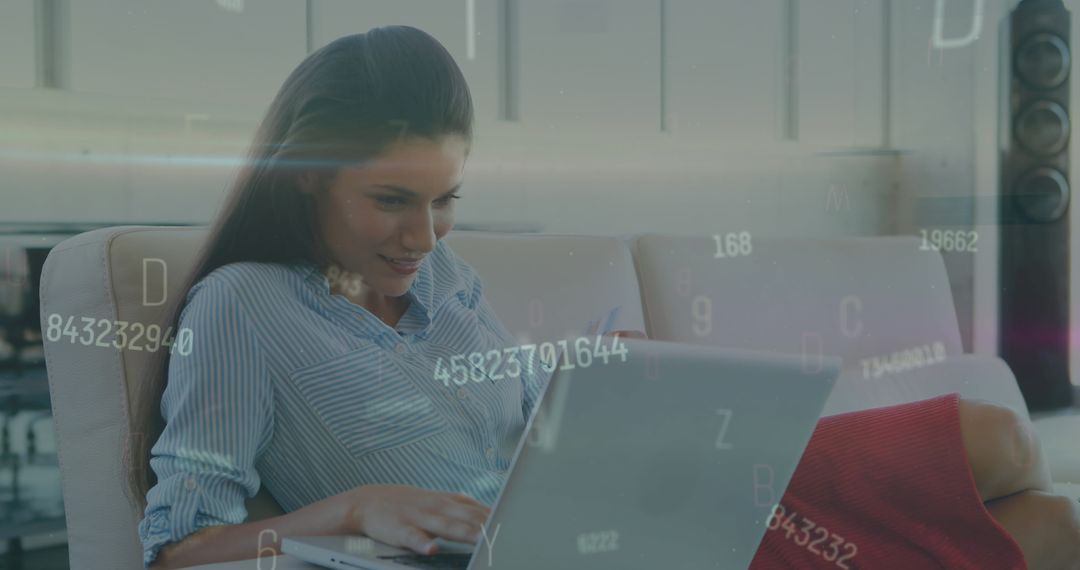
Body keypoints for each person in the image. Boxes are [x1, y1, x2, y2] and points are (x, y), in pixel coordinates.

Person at [128, 26, 1080, 570]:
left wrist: (606, 379)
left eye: (444, 201)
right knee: (1016, 489)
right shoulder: (242, 310)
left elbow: (504, 419)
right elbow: (176, 552)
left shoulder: (446, 280)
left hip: (641, 498)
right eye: (389, 201)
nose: (421, 238)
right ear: (304, 175)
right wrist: (349, 509)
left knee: (1032, 489)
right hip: (574, 558)